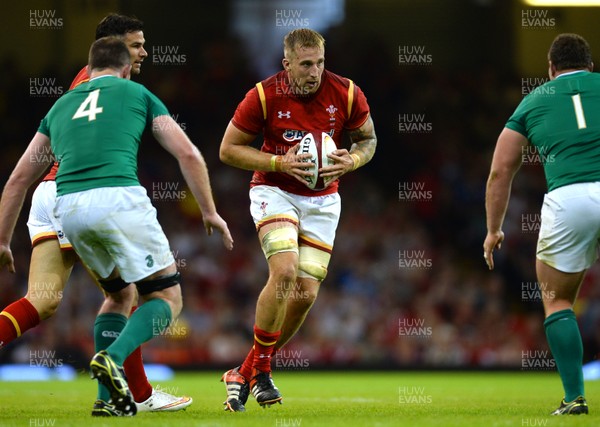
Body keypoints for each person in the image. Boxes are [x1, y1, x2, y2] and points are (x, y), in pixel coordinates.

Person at [0, 37, 233, 416]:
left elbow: (17, 180)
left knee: (83, 298)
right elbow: (187, 152)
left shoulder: (65, 100)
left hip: (60, 199)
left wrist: (3, 240)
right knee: (163, 298)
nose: (144, 52)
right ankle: (118, 368)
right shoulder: (132, 91)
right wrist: (209, 211)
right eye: (138, 46)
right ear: (122, 59)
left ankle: (115, 399)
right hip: (108, 194)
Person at [219, 28, 376, 412]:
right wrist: (278, 162)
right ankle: (263, 371)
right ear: (286, 64)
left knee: (305, 294)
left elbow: (368, 140)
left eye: (320, 62)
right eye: (306, 64)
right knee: (285, 272)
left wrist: (353, 160)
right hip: (274, 191)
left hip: (323, 201)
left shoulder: (347, 93)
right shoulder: (263, 95)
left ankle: (245, 370)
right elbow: (228, 150)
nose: (315, 71)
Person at [483, 33, 598, 415]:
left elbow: (501, 170)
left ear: (550, 69)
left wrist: (494, 229)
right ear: (591, 65)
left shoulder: (534, 100)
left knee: (558, 300)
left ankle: (575, 398)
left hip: (569, 201)